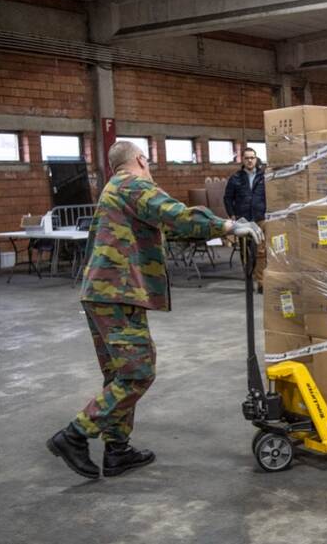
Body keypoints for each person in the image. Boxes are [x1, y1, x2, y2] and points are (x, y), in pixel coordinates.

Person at [46, 141, 263, 479]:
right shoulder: (132, 185)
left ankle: (117, 450)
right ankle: (74, 435)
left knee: (119, 375)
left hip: (102, 292)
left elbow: (157, 225)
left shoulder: (114, 188)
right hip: (117, 293)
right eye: (148, 161)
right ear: (140, 159)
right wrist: (227, 226)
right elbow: (174, 214)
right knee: (138, 373)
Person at [223, 147, 266, 290]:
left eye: (252, 157)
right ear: (242, 160)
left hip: (260, 218)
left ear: (256, 159)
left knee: (261, 251)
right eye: (247, 158)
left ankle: (261, 282)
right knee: (246, 252)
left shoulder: (263, 177)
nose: (250, 160)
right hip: (243, 221)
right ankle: (249, 280)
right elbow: (227, 198)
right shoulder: (235, 178)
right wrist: (232, 214)